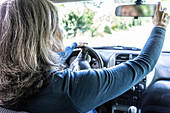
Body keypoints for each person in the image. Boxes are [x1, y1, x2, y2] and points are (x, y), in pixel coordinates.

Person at [0, 0, 169, 113]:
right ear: (44, 37)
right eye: (56, 25)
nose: (61, 30)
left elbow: (41, 56)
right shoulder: (72, 89)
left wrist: (73, 47)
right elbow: (143, 64)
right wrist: (160, 26)